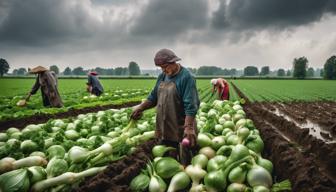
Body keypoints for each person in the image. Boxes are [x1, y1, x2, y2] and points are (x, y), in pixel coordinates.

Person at [131, 48, 200, 165]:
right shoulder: (163, 76)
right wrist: (140, 107)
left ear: (173, 62)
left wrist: (189, 127)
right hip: (165, 127)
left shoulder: (186, 77)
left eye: (165, 67)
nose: (163, 70)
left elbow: (191, 105)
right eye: (161, 68)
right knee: (167, 162)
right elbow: (153, 97)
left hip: (181, 127)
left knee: (185, 162)